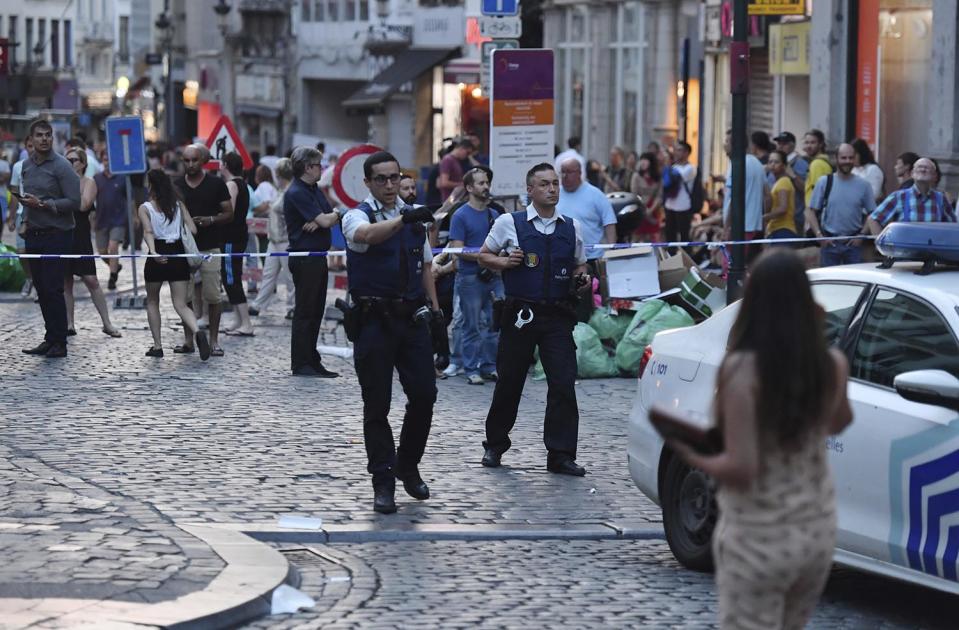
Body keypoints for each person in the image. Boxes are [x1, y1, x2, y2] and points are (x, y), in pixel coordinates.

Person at [662, 248, 852, 630]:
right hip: (814, 532)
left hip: (759, 534)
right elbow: (837, 422)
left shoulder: (743, 370)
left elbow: (741, 467)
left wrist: (692, 452)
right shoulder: (831, 364)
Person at [342, 151, 441, 514]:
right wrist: (403, 218)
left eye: (394, 177)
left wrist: (435, 309)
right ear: (367, 182)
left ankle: (407, 464)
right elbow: (366, 235)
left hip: (411, 320)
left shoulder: (412, 218)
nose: (388, 185)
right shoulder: (356, 215)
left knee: (425, 396)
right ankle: (382, 481)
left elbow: (425, 265)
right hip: (373, 321)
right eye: (381, 179)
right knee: (377, 406)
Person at [478, 163, 590, 477]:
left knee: (563, 383)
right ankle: (495, 444)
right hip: (520, 315)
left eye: (555, 184)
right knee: (510, 381)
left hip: (557, 315)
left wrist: (583, 280)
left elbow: (581, 265)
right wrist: (503, 261)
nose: (552, 189)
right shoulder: (508, 223)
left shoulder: (572, 227)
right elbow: (483, 255)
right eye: (544, 184)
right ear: (530, 190)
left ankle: (561, 454)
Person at [20, 119, 81, 359]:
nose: (44, 139)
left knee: (54, 289)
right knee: (42, 289)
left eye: (48, 135)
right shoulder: (26, 165)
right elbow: (27, 199)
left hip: (58, 234)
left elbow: (74, 202)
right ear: (31, 140)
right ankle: (50, 337)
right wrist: (25, 218)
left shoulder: (62, 166)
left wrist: (44, 205)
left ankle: (60, 342)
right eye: (39, 135)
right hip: (34, 234)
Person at [138, 168, 210, 361]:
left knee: (153, 301)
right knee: (181, 304)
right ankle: (197, 331)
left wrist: (153, 252)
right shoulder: (178, 205)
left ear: (151, 185)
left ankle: (158, 346)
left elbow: (148, 232)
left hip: (158, 253)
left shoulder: (145, 207)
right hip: (178, 254)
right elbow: (193, 230)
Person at [284, 146, 340, 377]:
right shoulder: (297, 192)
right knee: (305, 311)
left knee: (316, 310)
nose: (322, 169)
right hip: (304, 258)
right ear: (307, 167)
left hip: (317, 257)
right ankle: (301, 362)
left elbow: (330, 215)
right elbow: (328, 219)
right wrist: (326, 219)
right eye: (318, 165)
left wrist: (325, 218)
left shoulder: (313, 189)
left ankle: (312, 358)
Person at [174, 144, 233, 357]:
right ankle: (189, 340)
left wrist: (210, 220)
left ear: (203, 161)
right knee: (185, 296)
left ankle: (214, 340)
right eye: (186, 160)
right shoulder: (177, 185)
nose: (190, 165)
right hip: (184, 249)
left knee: (212, 295)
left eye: (194, 160)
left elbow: (229, 213)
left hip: (210, 246)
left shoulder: (216, 184)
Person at [449, 167, 503, 385]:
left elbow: (502, 245)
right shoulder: (460, 215)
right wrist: (486, 257)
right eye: (480, 183)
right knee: (471, 325)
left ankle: (490, 366)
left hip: (494, 276)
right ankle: (471, 368)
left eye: (487, 182)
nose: (486, 186)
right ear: (469, 188)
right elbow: (458, 250)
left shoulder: (495, 215)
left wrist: (494, 259)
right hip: (470, 278)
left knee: (494, 324)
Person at [62, 148, 121, 338]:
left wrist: (62, 199)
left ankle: (107, 323)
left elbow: (84, 205)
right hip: (62, 234)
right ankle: (69, 324)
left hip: (80, 236)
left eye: (74, 160)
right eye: (67, 160)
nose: (70, 163)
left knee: (91, 280)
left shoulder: (88, 182)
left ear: (83, 163)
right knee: (66, 282)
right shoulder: (60, 183)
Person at [805, 143, 876, 267]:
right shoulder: (824, 182)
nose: (847, 161)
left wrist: (862, 235)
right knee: (828, 283)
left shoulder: (864, 185)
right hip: (829, 243)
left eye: (850, 158)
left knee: (855, 284)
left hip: (853, 245)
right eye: (843, 158)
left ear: (855, 159)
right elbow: (811, 212)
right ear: (836, 159)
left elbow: (873, 213)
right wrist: (819, 236)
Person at [249, 158, 296, 317]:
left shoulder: (290, 192)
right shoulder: (281, 191)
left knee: (290, 276)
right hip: (274, 239)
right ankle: (258, 304)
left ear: (280, 174)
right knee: (268, 273)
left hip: (285, 240)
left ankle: (292, 307)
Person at [867, 157, 957, 234]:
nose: (923, 169)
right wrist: (882, 244)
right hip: (904, 253)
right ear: (912, 174)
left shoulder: (941, 199)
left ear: (934, 175)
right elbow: (873, 219)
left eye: (927, 168)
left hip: (933, 253)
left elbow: (953, 227)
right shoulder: (899, 197)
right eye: (919, 167)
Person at [219, 152, 255, 337]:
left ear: (225, 164)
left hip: (231, 238)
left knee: (231, 278)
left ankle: (246, 323)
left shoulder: (232, 184)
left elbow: (228, 212)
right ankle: (238, 319)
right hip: (237, 236)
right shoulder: (242, 184)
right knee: (231, 277)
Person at [93, 151, 128, 290]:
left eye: (109, 159)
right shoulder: (96, 179)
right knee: (102, 252)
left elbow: (129, 198)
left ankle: (112, 277)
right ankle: (115, 266)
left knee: (113, 247)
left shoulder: (122, 178)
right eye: (105, 159)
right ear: (102, 161)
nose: (107, 162)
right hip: (101, 219)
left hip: (118, 219)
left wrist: (134, 216)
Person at [663, 141, 698, 247]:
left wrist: (667, 165)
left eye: (679, 150)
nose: (676, 153)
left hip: (683, 207)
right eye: (675, 150)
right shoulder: (673, 167)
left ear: (686, 152)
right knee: (670, 237)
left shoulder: (691, 168)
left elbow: (676, 178)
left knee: (684, 238)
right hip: (669, 206)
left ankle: (686, 260)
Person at [773, 131, 809, 234]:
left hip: (794, 218)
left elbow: (805, 189)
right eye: (779, 143)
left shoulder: (800, 163)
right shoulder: (776, 161)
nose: (780, 146)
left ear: (792, 145)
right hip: (776, 218)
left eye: (784, 144)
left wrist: (792, 175)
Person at [763, 150, 797, 242]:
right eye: (770, 162)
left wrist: (764, 217)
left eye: (776, 162)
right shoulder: (777, 182)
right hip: (776, 229)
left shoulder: (784, 181)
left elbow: (783, 208)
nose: (773, 165)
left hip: (783, 229)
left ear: (784, 165)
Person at [629, 151, 663, 241]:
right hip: (639, 208)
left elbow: (659, 195)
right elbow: (634, 194)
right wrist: (644, 209)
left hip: (653, 210)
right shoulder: (636, 176)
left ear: (651, 162)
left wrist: (651, 209)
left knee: (654, 237)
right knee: (637, 236)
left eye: (646, 160)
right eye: (641, 160)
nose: (643, 162)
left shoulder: (658, 177)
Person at [803, 129, 833, 210]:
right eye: (806, 142)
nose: (809, 146)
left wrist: (811, 214)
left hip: (814, 212)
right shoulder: (822, 162)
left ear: (820, 144)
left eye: (813, 142)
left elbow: (817, 193)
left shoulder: (817, 164)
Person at [850, 138, 885, 203]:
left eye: (854, 155)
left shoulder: (873, 169)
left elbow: (874, 195)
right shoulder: (853, 170)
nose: (851, 158)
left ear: (861, 154)